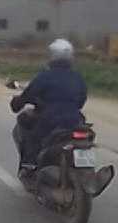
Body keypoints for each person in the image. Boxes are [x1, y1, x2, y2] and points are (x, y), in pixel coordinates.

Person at [10, 38, 88, 174]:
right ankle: (85, 166)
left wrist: (17, 103)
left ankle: (29, 165)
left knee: (31, 134)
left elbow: (27, 95)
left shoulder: (45, 76)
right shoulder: (77, 77)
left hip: (50, 120)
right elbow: (81, 101)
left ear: (52, 56)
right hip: (76, 120)